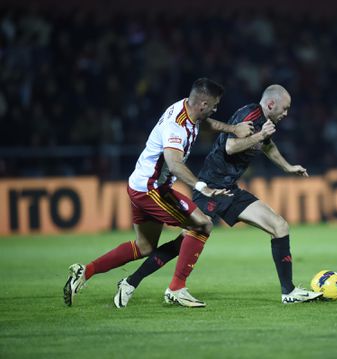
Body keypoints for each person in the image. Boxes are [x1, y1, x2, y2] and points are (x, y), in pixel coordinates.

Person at [113, 84, 323, 308]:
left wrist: (288, 167)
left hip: (230, 188)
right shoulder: (250, 116)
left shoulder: (265, 122)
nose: (286, 114)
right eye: (285, 108)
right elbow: (231, 147)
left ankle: (288, 292)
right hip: (212, 188)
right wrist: (260, 135)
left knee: (279, 226)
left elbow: (267, 146)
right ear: (271, 104)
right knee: (184, 242)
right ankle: (133, 282)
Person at [64, 78, 254, 308]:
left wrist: (233, 128)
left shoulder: (187, 107)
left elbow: (203, 123)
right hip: (151, 189)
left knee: (144, 247)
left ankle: (85, 272)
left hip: (139, 184)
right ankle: (177, 288)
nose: (216, 109)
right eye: (214, 105)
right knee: (203, 224)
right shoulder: (176, 125)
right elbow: (174, 164)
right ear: (203, 103)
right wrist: (203, 187)